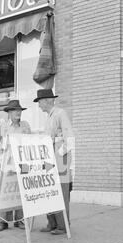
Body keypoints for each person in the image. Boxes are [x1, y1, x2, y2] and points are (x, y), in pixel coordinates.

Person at [33, 89, 73, 235]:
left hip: (60, 159)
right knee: (49, 191)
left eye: (39, 102)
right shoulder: (49, 117)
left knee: (61, 193)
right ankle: (52, 223)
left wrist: (58, 155)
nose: (39, 106)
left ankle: (62, 226)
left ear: (46, 101)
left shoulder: (60, 114)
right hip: (50, 158)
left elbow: (69, 139)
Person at [0, 100, 31, 232]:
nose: (18, 112)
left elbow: (30, 143)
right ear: (9, 112)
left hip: (23, 164)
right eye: (15, 110)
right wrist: (2, 161)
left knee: (22, 192)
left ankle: (19, 220)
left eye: (20, 110)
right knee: (6, 192)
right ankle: (3, 221)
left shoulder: (25, 125)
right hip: (8, 164)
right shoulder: (3, 125)